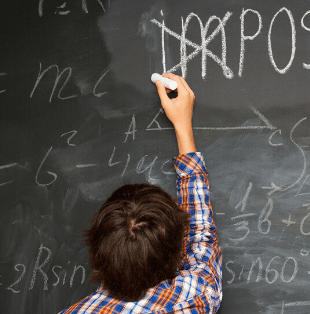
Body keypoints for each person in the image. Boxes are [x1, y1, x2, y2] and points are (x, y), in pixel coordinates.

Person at [61, 73, 222, 314]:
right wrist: (183, 127)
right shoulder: (191, 298)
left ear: (96, 252)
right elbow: (201, 237)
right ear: (178, 253)